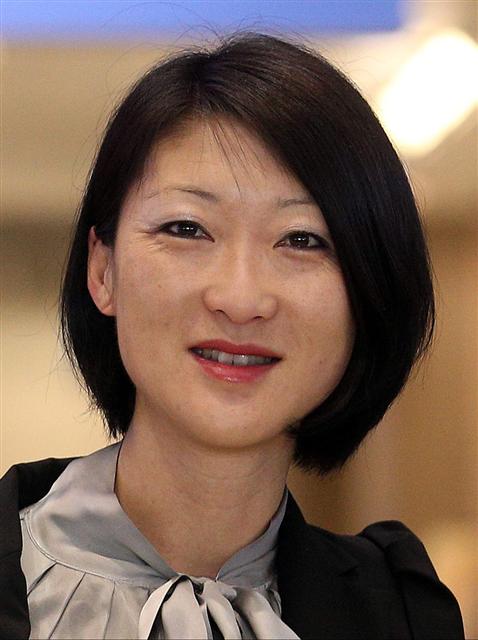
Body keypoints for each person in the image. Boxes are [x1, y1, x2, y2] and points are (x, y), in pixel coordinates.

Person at [0, 32, 464, 639]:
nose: (241, 299)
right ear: (103, 270)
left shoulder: (405, 614)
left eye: (302, 240)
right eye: (187, 228)